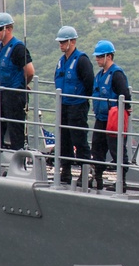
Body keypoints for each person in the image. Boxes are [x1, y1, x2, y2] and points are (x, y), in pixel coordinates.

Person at [0, 12, 34, 173]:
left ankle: (18, 167)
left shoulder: (17, 48)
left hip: (13, 95)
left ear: (9, 29)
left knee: (16, 131)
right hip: (0, 93)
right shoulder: (0, 49)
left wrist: (21, 86)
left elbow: (29, 71)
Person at [53, 25, 94, 183]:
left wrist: (82, 98)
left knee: (79, 138)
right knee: (64, 139)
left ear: (72, 41)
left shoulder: (82, 60)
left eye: (63, 41)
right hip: (63, 105)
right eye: (60, 42)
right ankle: (66, 170)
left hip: (77, 105)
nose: (61, 44)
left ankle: (85, 171)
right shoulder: (61, 61)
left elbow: (89, 81)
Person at [90, 40, 132, 190]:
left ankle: (122, 182)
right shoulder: (99, 75)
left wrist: (125, 111)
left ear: (109, 56)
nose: (97, 59)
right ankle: (97, 178)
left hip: (113, 119)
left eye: (100, 56)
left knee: (117, 150)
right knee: (97, 148)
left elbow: (125, 94)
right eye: (97, 56)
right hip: (101, 118)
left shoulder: (116, 74)